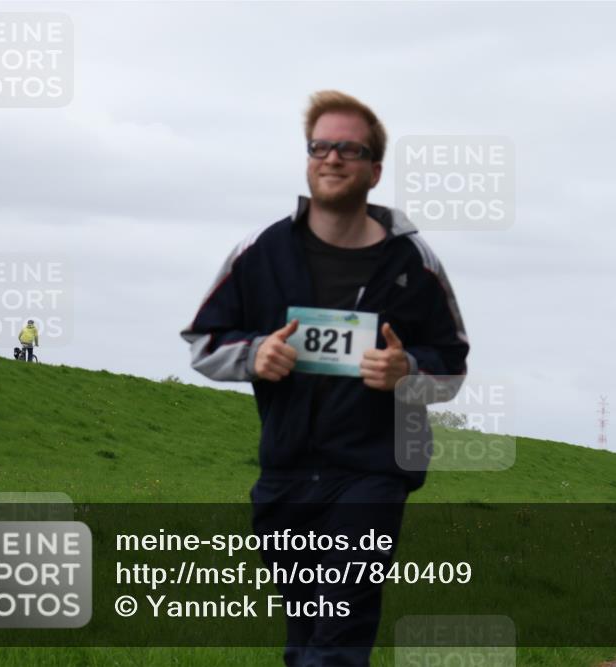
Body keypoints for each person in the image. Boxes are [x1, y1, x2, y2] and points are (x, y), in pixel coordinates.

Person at [181, 91, 469, 666]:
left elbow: (453, 365)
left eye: (348, 148)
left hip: (372, 472)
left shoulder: (414, 262)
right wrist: (256, 353)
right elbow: (204, 342)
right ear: (308, 158)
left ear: (374, 169)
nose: (331, 158)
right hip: (285, 474)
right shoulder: (261, 251)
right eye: (320, 146)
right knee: (306, 634)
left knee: (339, 631)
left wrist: (406, 370)